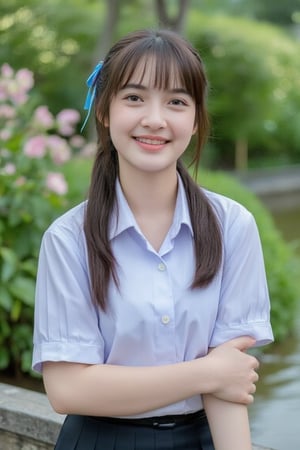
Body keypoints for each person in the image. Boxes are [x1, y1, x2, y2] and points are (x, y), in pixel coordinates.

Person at [32, 28, 274, 450]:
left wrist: (220, 378)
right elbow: (68, 390)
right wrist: (205, 373)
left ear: (196, 118)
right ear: (104, 110)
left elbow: (230, 382)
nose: (155, 119)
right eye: (134, 98)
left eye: (177, 102)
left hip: (203, 438)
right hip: (98, 441)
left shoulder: (232, 226)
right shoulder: (68, 239)